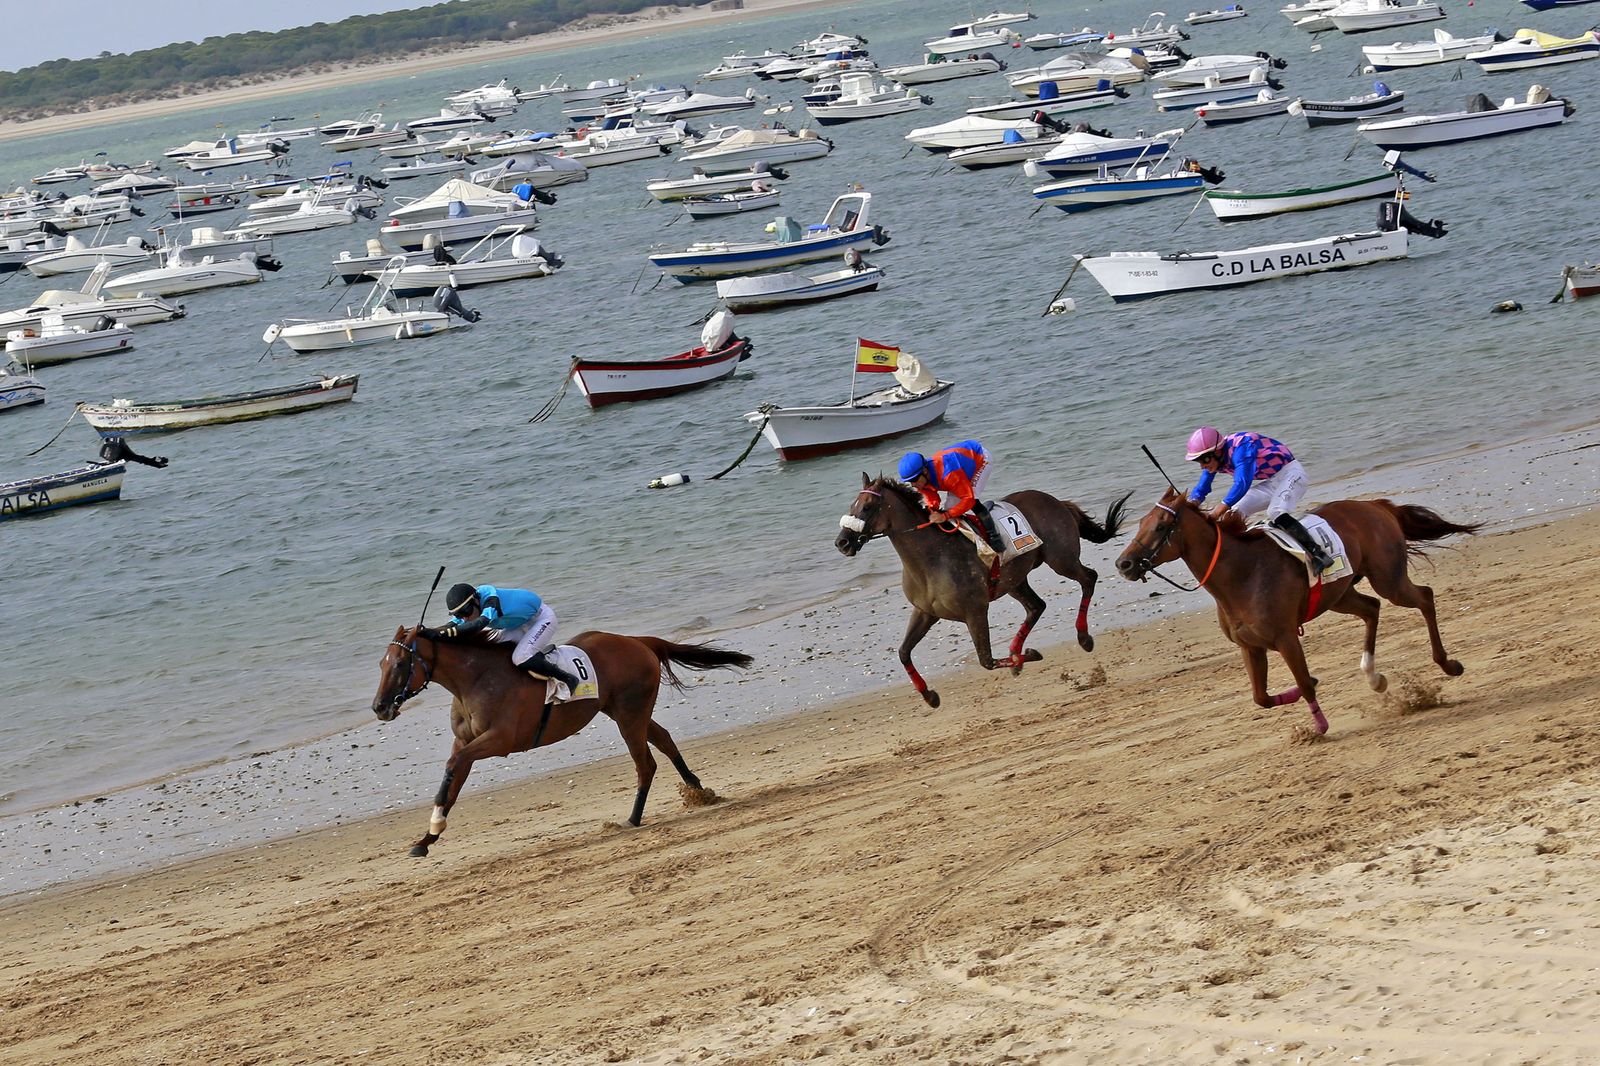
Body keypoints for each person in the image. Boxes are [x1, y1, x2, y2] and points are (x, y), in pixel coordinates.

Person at [1184, 427, 1335, 572]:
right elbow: (1202, 487)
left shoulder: (1241, 447)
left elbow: (1242, 483)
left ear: (1216, 451)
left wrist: (1217, 511)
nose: (1203, 466)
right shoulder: (1215, 459)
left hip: (1292, 474)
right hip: (1272, 481)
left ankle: (1318, 554)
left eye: (1204, 460)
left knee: (1276, 512)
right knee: (1233, 513)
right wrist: (1190, 505)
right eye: (1199, 462)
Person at [433, 582, 583, 696]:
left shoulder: (490, 598)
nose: (464, 618)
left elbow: (478, 625)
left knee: (520, 657)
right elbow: (449, 626)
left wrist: (443, 634)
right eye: (459, 615)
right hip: (517, 624)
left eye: (466, 612)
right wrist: (424, 632)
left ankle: (568, 679)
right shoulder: (468, 607)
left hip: (540, 619)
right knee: (493, 648)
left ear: (476, 601)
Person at [898, 440, 1004, 553]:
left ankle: (994, 537)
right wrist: (932, 511)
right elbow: (932, 499)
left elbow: (969, 500)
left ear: (925, 471)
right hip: (960, 467)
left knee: (971, 498)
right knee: (950, 509)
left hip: (981, 459)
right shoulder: (922, 479)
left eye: (914, 480)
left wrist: (945, 516)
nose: (913, 485)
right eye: (910, 482)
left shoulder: (948, 474)